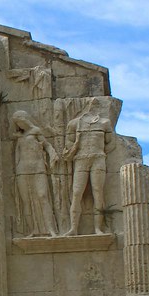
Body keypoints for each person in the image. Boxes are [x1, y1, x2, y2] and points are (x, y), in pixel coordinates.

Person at [62, 98, 114, 235]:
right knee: (77, 193)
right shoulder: (74, 123)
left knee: (98, 192)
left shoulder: (105, 123)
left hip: (98, 158)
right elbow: (68, 142)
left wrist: (100, 152)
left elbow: (111, 143)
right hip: (81, 159)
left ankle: (98, 228)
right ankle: (73, 228)